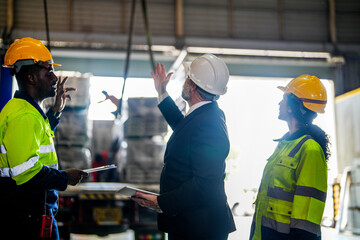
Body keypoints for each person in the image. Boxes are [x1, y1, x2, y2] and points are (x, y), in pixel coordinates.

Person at [132, 54, 236, 240]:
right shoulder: (205, 115)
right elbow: (183, 129)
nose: (184, 81)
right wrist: (161, 91)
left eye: (187, 77)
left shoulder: (208, 124)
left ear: (193, 85)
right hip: (193, 223)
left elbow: (206, 184)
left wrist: (161, 202)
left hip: (200, 228)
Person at [0, 37, 88, 240]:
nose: (55, 78)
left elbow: (38, 137)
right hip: (27, 216)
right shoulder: (25, 115)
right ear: (31, 78)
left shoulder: (27, 110)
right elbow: (25, 172)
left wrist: (56, 111)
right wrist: (65, 178)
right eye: (48, 72)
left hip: (29, 212)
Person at [249, 75, 331, 240]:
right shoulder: (285, 144)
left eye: (284, 99)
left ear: (293, 106)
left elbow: (306, 218)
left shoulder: (311, 150)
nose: (280, 104)